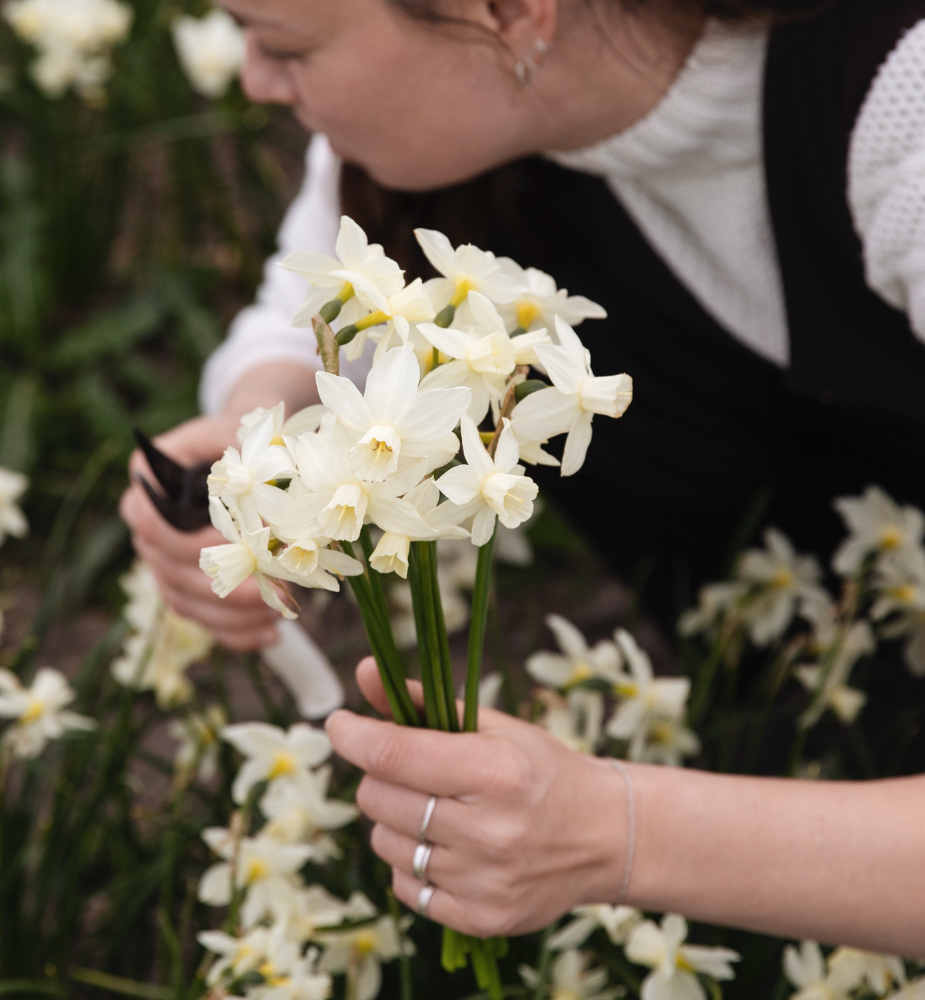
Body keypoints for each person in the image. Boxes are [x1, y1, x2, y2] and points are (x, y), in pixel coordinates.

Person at [120, 0, 925, 952]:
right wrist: (245, 449)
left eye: (284, 44)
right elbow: (299, 317)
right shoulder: (459, 137)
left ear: (510, 13)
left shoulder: (900, 112)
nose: (252, 76)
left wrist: (611, 834)